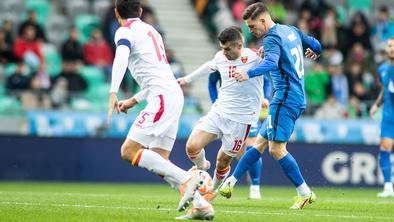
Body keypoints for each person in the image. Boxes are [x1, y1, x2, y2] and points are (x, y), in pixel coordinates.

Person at [107, 0, 213, 220]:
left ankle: (188, 178)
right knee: (159, 160)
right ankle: (201, 205)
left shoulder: (124, 31)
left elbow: (121, 56)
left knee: (128, 152)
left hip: (163, 97)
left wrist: (113, 92)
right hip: (172, 93)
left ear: (117, 12)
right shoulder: (151, 31)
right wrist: (134, 100)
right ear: (141, 11)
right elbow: (157, 74)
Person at [218, 2, 321, 210]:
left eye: (252, 26)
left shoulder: (272, 37)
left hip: (285, 98)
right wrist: (314, 51)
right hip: (294, 96)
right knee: (259, 143)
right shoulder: (289, 30)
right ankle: (231, 182)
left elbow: (272, 63)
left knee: (276, 149)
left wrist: (248, 73)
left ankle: (305, 193)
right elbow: (315, 44)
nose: (250, 30)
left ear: (263, 20)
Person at [177, 26, 264, 201]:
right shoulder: (220, 57)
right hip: (219, 112)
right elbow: (207, 67)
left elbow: (275, 63)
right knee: (192, 146)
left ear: (239, 45)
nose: (223, 53)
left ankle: (212, 190)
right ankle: (202, 166)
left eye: (227, 49)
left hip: (241, 120)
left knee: (223, 161)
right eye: (222, 48)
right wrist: (186, 79)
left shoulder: (256, 58)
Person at [208, 65, 271, 199]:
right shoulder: (220, 61)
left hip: (249, 109)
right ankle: (227, 181)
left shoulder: (249, 59)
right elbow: (212, 82)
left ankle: (255, 187)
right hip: (228, 111)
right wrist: (215, 102)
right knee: (238, 154)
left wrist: (265, 97)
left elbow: (266, 80)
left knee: (252, 146)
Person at [370, 37, 394, 198]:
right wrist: (377, 105)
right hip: (389, 116)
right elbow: (385, 89)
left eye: (393, 46)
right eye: (389, 45)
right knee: (384, 148)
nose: (391, 48)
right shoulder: (383, 69)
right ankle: (388, 187)